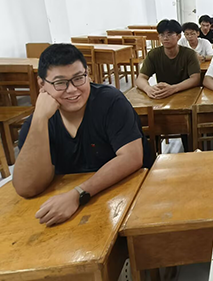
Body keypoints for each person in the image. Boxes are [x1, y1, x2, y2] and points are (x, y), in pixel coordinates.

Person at [13, 44, 151, 226]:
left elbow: (131, 158)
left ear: (88, 74)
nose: (72, 89)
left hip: (123, 197)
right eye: (60, 82)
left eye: (79, 78)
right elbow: (27, 187)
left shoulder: (110, 102)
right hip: (70, 209)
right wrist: (40, 119)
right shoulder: (38, 121)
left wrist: (79, 194)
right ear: (42, 84)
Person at [137, 19, 201, 99]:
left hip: (185, 94)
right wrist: (148, 89)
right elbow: (141, 78)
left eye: (169, 34)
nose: (165, 38)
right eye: (162, 35)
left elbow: (195, 78)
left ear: (178, 36)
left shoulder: (189, 54)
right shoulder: (153, 54)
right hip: (163, 95)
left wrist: (174, 88)